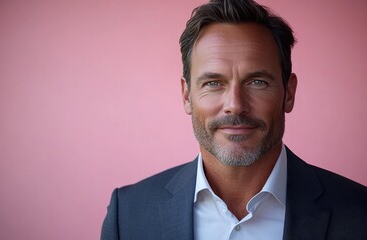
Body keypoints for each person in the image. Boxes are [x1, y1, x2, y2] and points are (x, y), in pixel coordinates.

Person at [101, 0, 367, 239]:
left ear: (289, 93)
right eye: (214, 83)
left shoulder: (359, 213)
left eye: (257, 82)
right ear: (186, 96)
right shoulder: (128, 215)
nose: (235, 105)